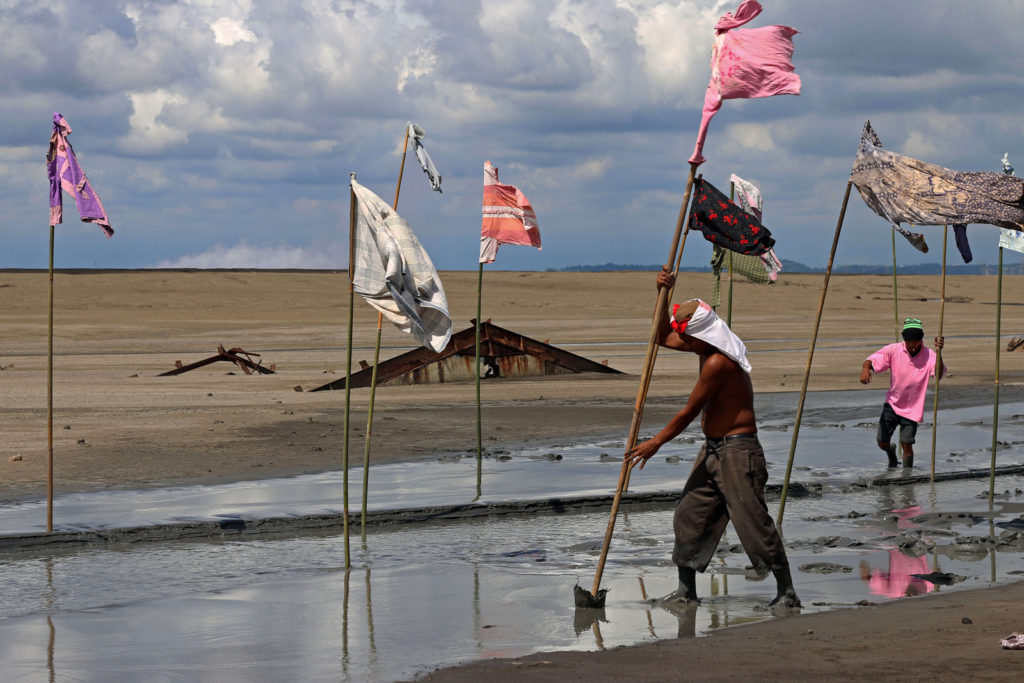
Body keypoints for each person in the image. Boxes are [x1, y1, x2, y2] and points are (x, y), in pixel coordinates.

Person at [624, 268, 800, 608]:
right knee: (690, 514)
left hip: (738, 450)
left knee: (752, 520)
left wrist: (655, 442)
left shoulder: (719, 361)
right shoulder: (705, 348)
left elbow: (690, 410)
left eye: (689, 339)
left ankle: (787, 590)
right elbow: (660, 337)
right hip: (713, 449)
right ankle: (687, 590)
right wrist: (662, 293)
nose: (685, 344)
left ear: (704, 336)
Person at [860, 318, 945, 469]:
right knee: (882, 441)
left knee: (907, 444)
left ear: (921, 340)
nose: (912, 345)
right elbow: (870, 360)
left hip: (912, 408)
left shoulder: (930, 354)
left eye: (915, 341)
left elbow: (937, 374)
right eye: (908, 341)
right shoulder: (894, 350)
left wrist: (939, 353)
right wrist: (866, 369)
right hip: (892, 404)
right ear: (904, 339)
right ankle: (891, 453)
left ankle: (907, 480)